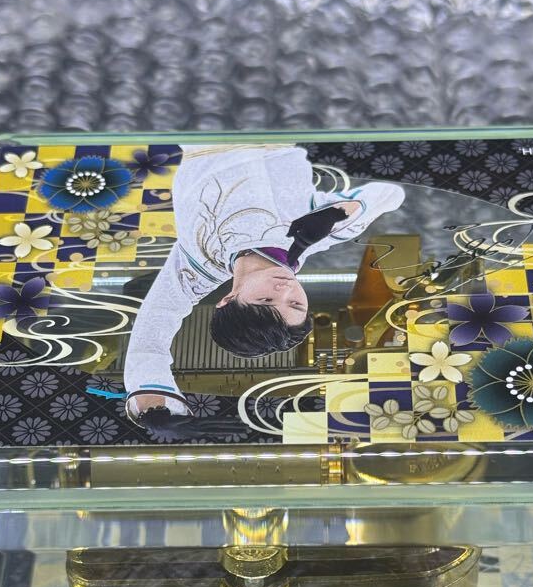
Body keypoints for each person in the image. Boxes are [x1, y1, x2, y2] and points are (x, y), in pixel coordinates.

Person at [123, 142, 405, 419]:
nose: (285, 290)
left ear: (227, 299)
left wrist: (154, 409)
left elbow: (151, 336)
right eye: (295, 304)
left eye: (266, 299)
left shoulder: (198, 265)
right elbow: (391, 193)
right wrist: (342, 211)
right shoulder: (320, 232)